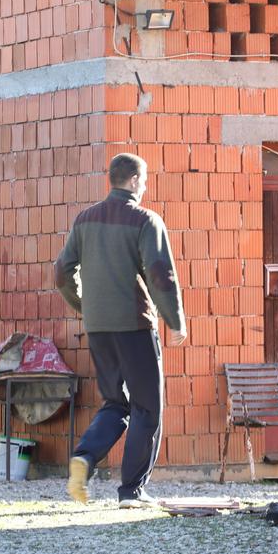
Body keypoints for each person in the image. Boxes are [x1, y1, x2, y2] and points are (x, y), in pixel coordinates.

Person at [54, 152, 185, 507]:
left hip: (98, 329)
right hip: (134, 326)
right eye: (143, 180)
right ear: (133, 181)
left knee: (116, 402)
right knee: (147, 408)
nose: (144, 186)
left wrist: (85, 306)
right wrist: (175, 319)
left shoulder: (85, 220)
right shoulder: (145, 220)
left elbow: (61, 273)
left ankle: (84, 457)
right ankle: (132, 491)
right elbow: (160, 274)